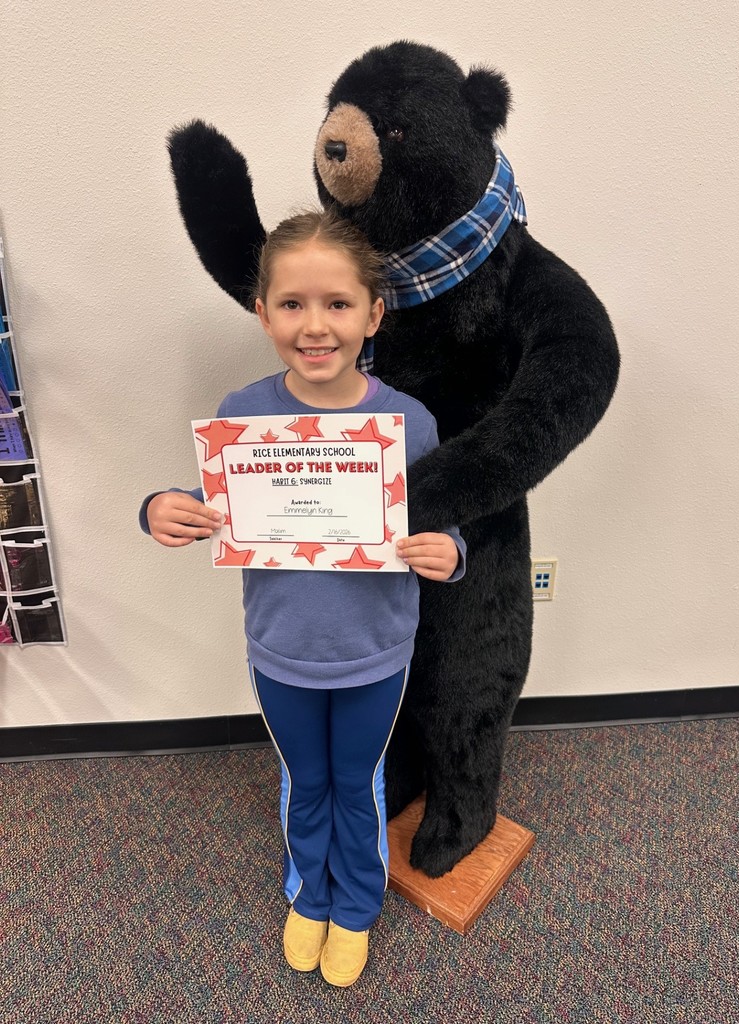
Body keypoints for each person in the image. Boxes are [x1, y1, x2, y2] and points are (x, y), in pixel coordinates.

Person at [139, 209, 465, 988]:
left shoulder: (408, 424)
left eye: (337, 304)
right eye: (292, 304)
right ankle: (308, 892)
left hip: (375, 653)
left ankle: (355, 905)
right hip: (280, 650)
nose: (315, 326)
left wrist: (449, 552)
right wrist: (162, 506)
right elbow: (221, 502)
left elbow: (449, 524)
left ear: (373, 313)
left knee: (357, 781)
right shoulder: (242, 412)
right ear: (262, 312)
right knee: (304, 779)